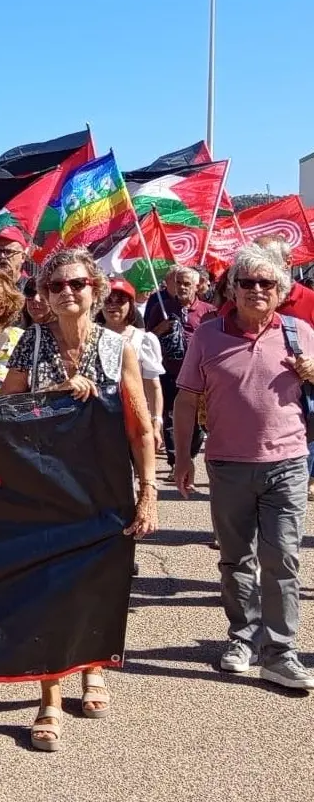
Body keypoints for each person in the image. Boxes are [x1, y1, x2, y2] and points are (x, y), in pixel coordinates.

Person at [0, 248, 157, 750]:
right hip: (44, 488)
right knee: (48, 587)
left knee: (96, 584)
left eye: (78, 285)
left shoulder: (117, 348)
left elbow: (139, 428)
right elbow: (3, 410)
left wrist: (148, 492)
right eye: (56, 286)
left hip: (103, 486)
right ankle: (49, 696)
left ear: (96, 289)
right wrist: (51, 399)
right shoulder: (32, 342)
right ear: (42, 296)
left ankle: (92, 667)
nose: (68, 293)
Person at [173, 244, 314, 691]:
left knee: (283, 559)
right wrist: (181, 457)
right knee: (236, 560)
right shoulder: (207, 336)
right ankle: (242, 638)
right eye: (247, 282)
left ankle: (281, 651)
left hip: (288, 463)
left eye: (266, 283)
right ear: (231, 289)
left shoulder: (300, 332)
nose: (256, 290)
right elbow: (186, 398)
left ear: (281, 291)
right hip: (229, 464)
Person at [144, 265, 214, 472]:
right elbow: (147, 338)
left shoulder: (208, 311)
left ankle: (190, 453)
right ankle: (175, 460)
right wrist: (160, 328)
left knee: (196, 420)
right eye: (178, 283)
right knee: (170, 414)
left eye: (186, 284)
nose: (182, 287)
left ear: (196, 286)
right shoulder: (162, 308)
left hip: (198, 372)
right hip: (170, 370)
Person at [100, 278, 166, 453]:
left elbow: (153, 386)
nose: (113, 305)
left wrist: (156, 421)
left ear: (130, 304)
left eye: (120, 300)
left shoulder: (143, 340)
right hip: (97, 418)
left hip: (133, 417)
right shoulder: (89, 336)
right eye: (108, 300)